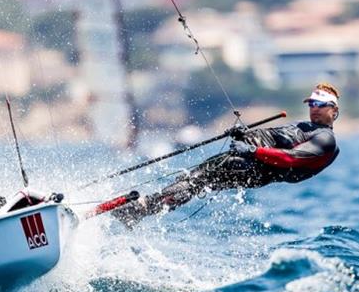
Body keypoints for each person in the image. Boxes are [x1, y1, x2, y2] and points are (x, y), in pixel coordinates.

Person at [111, 82, 341, 228]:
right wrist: (244, 135)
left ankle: (140, 209)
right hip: (250, 161)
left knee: (196, 179)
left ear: (334, 110)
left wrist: (252, 150)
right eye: (312, 103)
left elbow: (291, 157)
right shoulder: (304, 126)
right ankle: (141, 210)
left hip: (257, 168)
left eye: (321, 104)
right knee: (195, 180)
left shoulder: (326, 140)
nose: (314, 107)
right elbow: (272, 139)